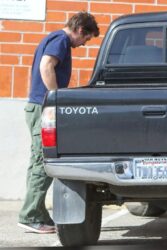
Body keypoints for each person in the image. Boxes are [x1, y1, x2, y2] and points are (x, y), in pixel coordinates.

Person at [17, 11, 99, 234]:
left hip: (36, 107)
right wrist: (56, 98)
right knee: (44, 162)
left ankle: (37, 213)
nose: (83, 44)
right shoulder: (62, 40)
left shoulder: (53, 37)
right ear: (80, 30)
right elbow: (46, 66)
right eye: (86, 38)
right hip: (43, 108)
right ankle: (30, 216)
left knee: (37, 162)